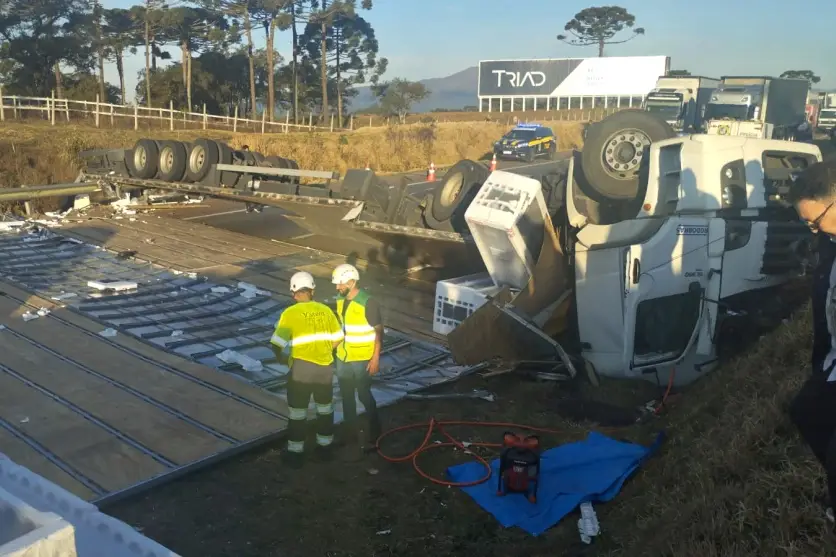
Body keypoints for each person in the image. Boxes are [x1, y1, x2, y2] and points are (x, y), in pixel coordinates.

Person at [787, 159, 836, 524]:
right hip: (832, 362)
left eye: (815, 221)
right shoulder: (831, 242)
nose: (813, 230)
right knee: (806, 410)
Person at [270, 271, 344, 466]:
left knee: (298, 412)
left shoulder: (290, 313)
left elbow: (277, 343)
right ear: (313, 290)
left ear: (294, 293)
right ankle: (325, 449)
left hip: (301, 369)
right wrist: (323, 351)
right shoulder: (327, 311)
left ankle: (295, 454)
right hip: (324, 369)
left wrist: (284, 359)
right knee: (325, 410)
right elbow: (338, 339)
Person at [331, 263, 383, 451]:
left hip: (361, 358)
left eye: (341, 284)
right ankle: (350, 434)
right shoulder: (339, 300)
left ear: (352, 282)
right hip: (343, 357)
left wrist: (375, 358)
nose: (338, 287)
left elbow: (379, 331)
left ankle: (375, 433)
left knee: (363, 394)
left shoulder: (368, 303)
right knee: (346, 396)